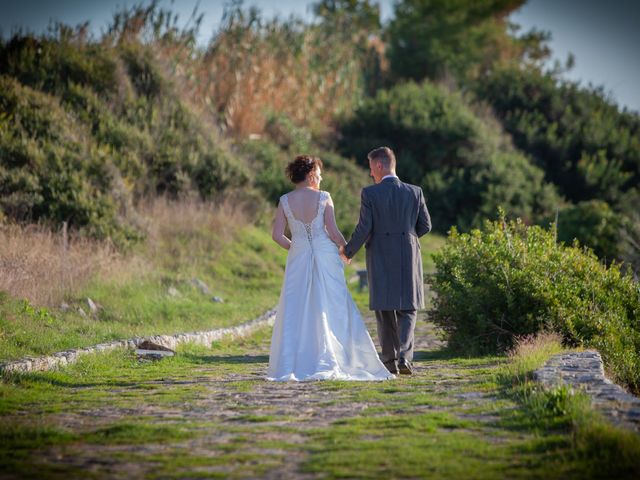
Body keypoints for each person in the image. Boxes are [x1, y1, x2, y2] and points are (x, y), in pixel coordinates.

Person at [267, 155, 394, 381]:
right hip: (325, 255)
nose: (321, 177)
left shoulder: (285, 200)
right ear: (310, 174)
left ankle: (295, 360)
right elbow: (333, 232)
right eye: (318, 172)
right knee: (330, 304)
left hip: (298, 258)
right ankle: (334, 356)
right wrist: (346, 250)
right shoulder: (324, 197)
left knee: (297, 307)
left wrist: (296, 248)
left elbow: (277, 236)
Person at [340, 147, 431, 375]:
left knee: (384, 309)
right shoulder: (415, 192)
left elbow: (364, 228)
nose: (371, 174)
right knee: (408, 308)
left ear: (379, 166)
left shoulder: (370, 194)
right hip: (408, 255)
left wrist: (348, 252)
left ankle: (390, 362)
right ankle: (405, 357)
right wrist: (407, 239)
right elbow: (426, 225)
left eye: (372, 169)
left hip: (380, 255)